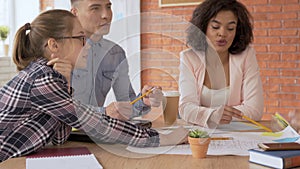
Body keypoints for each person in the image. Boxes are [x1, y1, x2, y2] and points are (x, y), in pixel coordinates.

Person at [0, 9, 187, 162]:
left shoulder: (51, 77)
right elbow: (96, 125)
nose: (87, 44)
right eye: (81, 38)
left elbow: (59, 138)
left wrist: (65, 84)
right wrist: (163, 138)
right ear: (54, 45)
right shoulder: (43, 80)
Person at [68, 0, 163, 119]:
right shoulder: (59, 50)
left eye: (108, 7)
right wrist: (104, 112)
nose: (106, 15)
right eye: (95, 8)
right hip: (64, 135)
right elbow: (59, 108)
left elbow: (127, 104)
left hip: (96, 133)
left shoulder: (115, 53)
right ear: (74, 13)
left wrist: (143, 101)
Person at [179, 0, 264, 128]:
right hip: (200, 136)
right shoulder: (189, 58)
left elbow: (255, 109)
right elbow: (186, 108)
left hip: (237, 135)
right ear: (203, 28)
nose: (223, 33)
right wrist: (212, 115)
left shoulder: (246, 56)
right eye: (215, 27)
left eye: (230, 28)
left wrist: (208, 115)